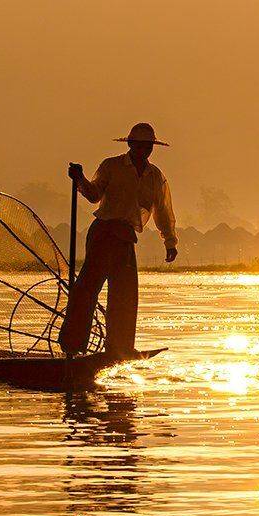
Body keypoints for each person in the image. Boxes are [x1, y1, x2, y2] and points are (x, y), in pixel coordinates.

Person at [58, 122, 178, 357]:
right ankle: (73, 346)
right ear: (131, 145)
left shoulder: (155, 177)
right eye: (140, 145)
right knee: (86, 289)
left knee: (125, 294)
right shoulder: (112, 166)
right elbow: (93, 195)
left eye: (148, 146)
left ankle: (119, 347)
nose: (145, 150)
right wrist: (79, 178)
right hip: (104, 231)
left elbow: (163, 211)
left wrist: (170, 241)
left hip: (125, 237)